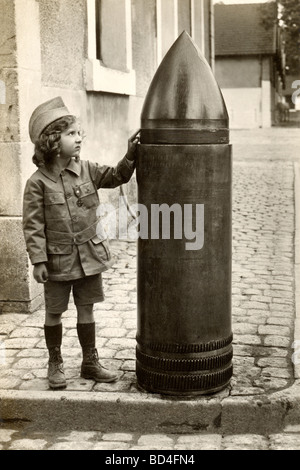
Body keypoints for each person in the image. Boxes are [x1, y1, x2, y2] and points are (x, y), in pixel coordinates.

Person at [22, 96, 138, 390]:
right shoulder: (37, 183)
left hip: (89, 256)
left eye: (78, 132)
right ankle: (55, 363)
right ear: (51, 140)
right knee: (54, 312)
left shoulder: (87, 169)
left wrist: (131, 155)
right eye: (70, 133)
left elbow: (116, 176)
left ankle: (90, 362)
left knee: (87, 308)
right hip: (57, 260)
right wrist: (38, 261)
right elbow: (33, 225)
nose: (78, 139)